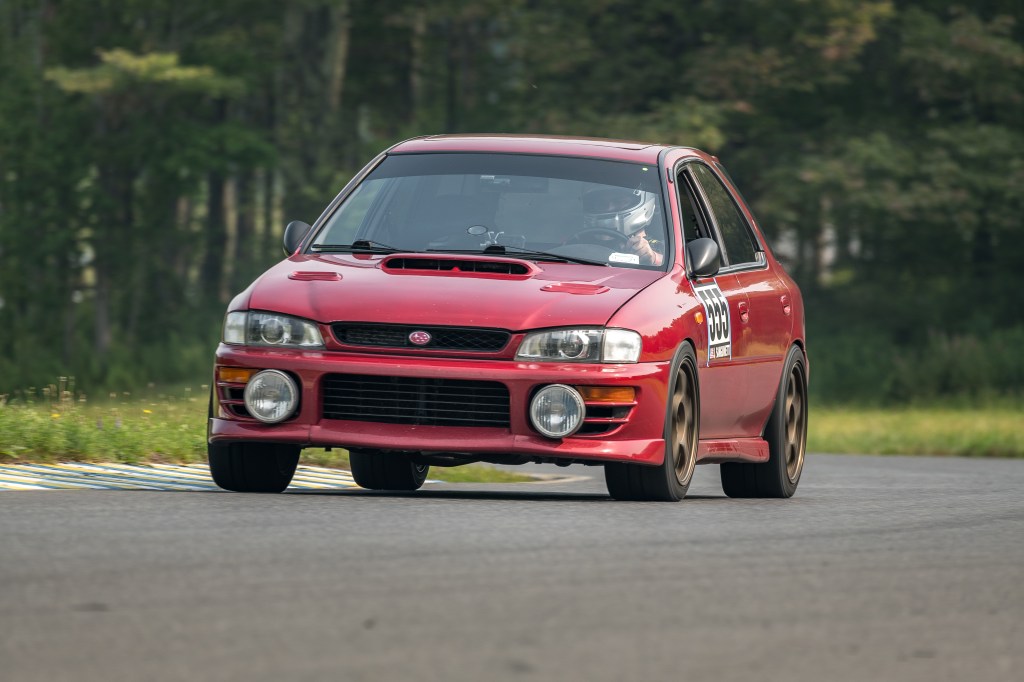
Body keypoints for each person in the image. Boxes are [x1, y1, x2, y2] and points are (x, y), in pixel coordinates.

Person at [580, 187, 664, 266]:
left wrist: (653, 257)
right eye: (602, 204)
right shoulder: (583, 243)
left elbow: (668, 264)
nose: (609, 208)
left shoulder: (662, 247)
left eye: (619, 202)